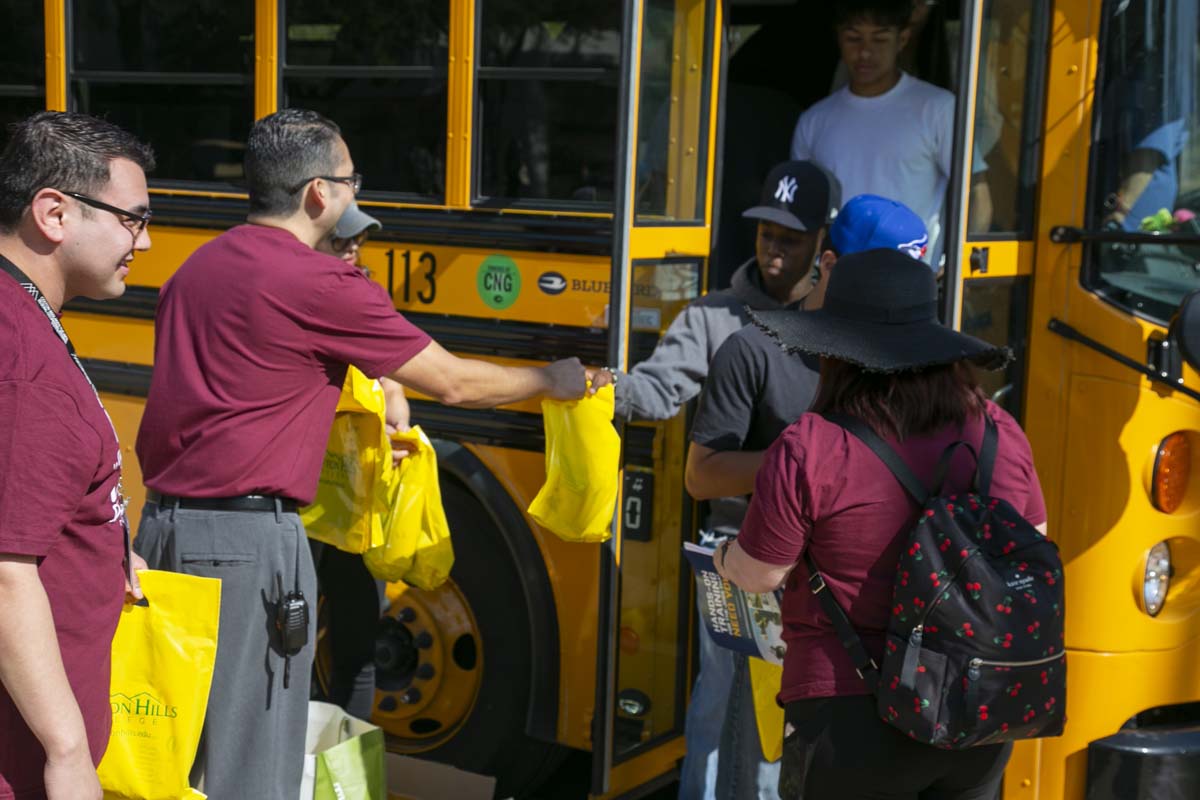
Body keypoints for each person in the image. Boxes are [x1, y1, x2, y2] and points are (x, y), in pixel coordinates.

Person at [132, 109, 588, 800]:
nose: (354, 195)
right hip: (247, 541)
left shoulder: (197, 267)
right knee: (251, 764)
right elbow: (454, 382)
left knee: (177, 755)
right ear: (319, 194)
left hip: (163, 530)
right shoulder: (319, 284)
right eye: (350, 181)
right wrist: (553, 380)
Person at [713, 248, 1046, 800]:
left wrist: (725, 559)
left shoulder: (810, 446)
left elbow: (763, 572)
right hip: (981, 703)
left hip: (850, 712)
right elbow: (1034, 544)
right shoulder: (999, 432)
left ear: (836, 352)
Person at [595, 159, 839, 800]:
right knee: (716, 700)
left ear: (822, 242)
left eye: (791, 238)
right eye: (766, 235)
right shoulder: (715, 317)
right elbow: (659, 386)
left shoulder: (836, 324)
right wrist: (606, 390)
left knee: (783, 719)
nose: (775, 250)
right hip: (735, 543)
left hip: (822, 553)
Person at [685, 194, 928, 799]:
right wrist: (813, 467)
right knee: (734, 731)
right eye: (876, 278)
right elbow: (701, 475)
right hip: (747, 555)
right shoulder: (755, 347)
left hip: (845, 569)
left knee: (798, 751)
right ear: (830, 264)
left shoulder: (892, 356)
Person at [0, 111, 153, 800]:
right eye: (132, 219)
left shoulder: (20, 320)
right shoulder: (23, 359)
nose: (144, 243)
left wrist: (103, 549)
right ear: (54, 213)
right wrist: (66, 754)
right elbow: (5, 569)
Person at [789, 0, 986, 263]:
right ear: (838, 38)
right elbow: (801, 208)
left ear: (902, 39)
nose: (865, 53)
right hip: (834, 286)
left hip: (911, 287)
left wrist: (953, 268)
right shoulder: (814, 120)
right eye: (853, 38)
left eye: (879, 40)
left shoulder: (937, 108)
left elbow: (978, 194)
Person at [309, 201, 402, 721]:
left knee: (358, 639)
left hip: (352, 494)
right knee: (289, 645)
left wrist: (396, 420)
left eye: (356, 242)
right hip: (303, 495)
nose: (353, 252)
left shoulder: (366, 295)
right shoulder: (297, 298)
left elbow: (394, 378)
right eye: (341, 242)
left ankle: (346, 775)